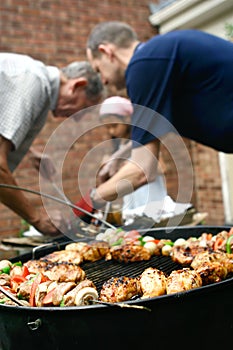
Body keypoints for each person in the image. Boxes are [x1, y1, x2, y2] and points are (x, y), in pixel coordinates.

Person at [74, 21, 233, 221]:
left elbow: (142, 170)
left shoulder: (143, 66)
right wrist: (119, 158)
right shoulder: (156, 62)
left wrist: (88, 203)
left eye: (98, 70)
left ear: (107, 52)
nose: (103, 81)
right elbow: (152, 134)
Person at [0, 53, 103, 237]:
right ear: (77, 85)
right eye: (83, 109)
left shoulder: (32, 77)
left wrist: (30, 152)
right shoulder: (33, 83)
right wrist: (37, 219)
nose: (76, 118)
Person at [96, 96, 167, 221]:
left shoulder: (144, 143)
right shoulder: (118, 149)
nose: (112, 131)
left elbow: (162, 168)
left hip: (152, 203)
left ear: (127, 119)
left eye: (114, 125)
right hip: (133, 206)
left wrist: (131, 166)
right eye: (107, 127)